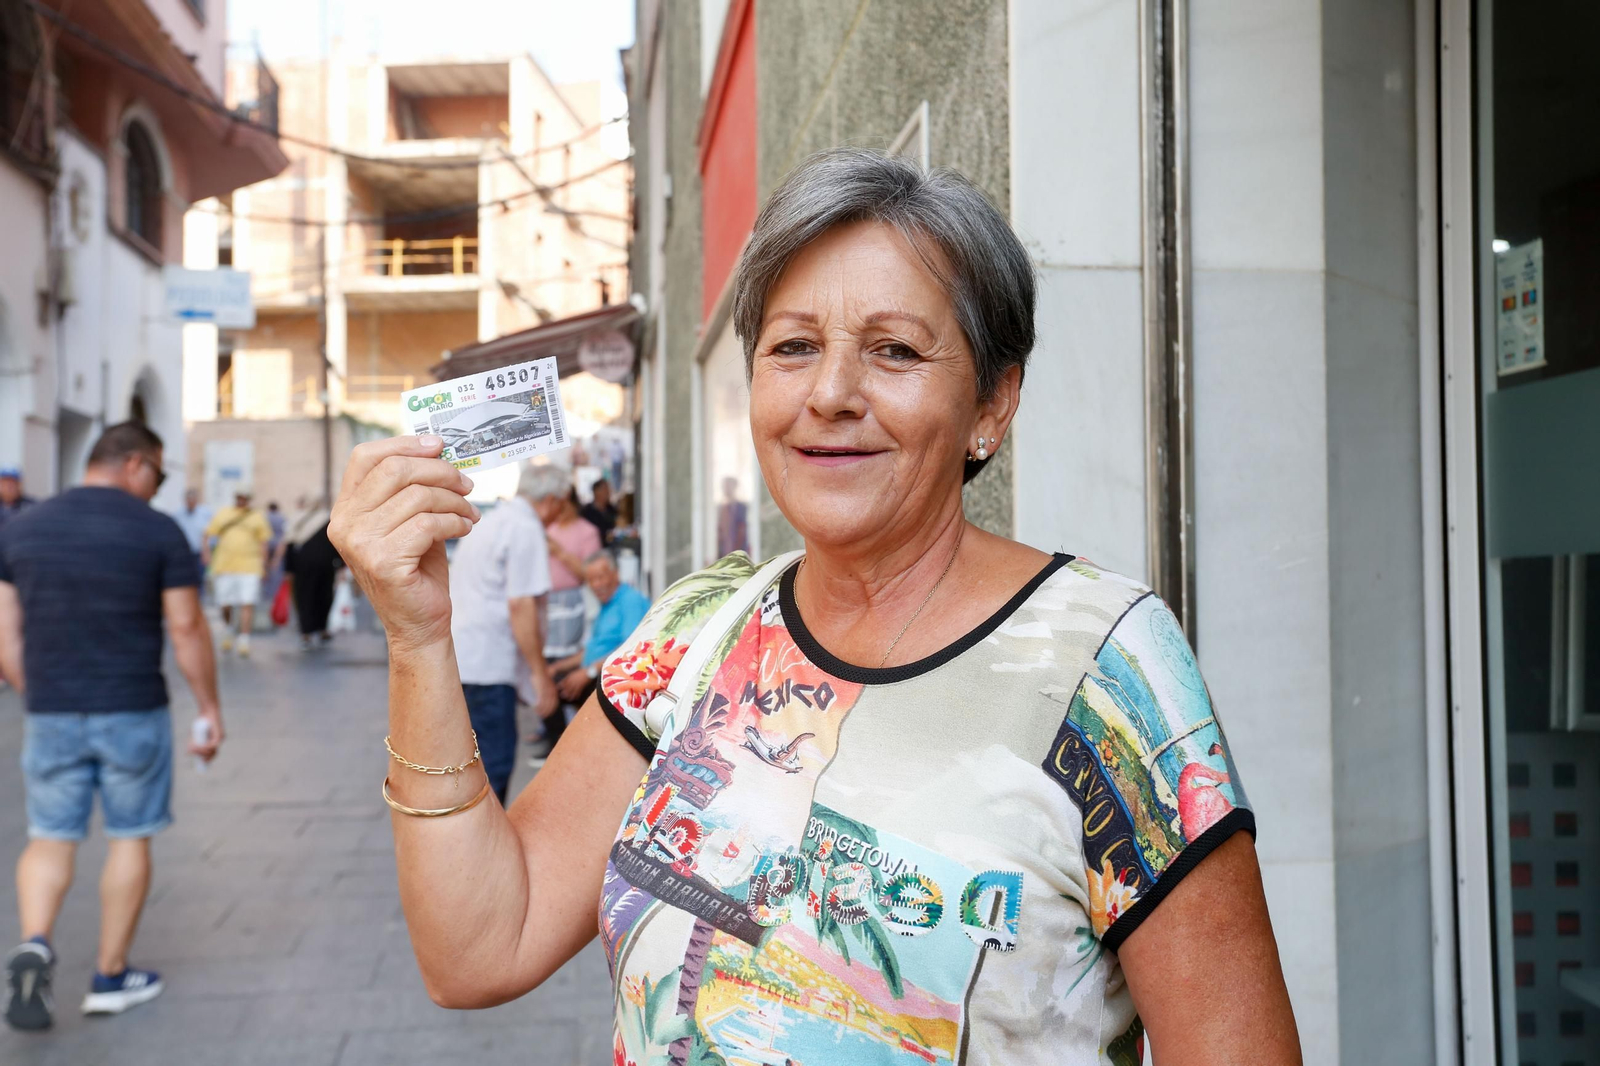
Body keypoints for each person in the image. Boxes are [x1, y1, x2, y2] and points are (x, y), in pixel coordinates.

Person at [328, 149, 1300, 1064]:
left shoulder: (1107, 668)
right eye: (793, 346)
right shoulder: (696, 631)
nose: (831, 393)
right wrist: (418, 637)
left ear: (993, 405)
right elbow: (481, 947)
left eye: (894, 351)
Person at [0, 421, 223, 1031]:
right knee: (130, 835)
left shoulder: (23, 528)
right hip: (131, 707)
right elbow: (185, 629)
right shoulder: (156, 530)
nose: (158, 486)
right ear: (136, 464)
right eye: (159, 473)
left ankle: (37, 943)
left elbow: (4, 632)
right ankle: (109, 974)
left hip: (50, 711)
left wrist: (37, 692)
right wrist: (209, 708)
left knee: (50, 834)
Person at [441, 463, 558, 805]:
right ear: (550, 499)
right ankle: (482, 853)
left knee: (471, 767)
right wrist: (540, 675)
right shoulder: (524, 528)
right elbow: (520, 605)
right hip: (488, 664)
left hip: (465, 658)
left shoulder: (493, 522)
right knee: (493, 766)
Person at [530, 475, 600, 758]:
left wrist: (558, 552)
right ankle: (553, 734)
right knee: (544, 665)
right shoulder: (549, 528)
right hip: (548, 604)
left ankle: (576, 738)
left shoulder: (586, 531)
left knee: (570, 666)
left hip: (574, 604)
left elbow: (590, 573)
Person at [546, 551, 651, 710]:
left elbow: (630, 649)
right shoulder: (606, 605)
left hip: (613, 682)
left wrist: (587, 673)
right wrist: (557, 667)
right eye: (591, 580)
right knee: (547, 678)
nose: (596, 585)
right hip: (595, 674)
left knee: (551, 689)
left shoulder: (630, 600)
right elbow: (590, 650)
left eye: (600, 577)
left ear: (615, 574)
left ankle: (560, 734)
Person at [202, 490, 272, 658]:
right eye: (240, 497)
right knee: (225, 603)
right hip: (225, 565)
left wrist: (264, 565)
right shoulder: (224, 514)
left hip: (250, 565)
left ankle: (244, 639)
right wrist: (207, 555)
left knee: (247, 602)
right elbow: (207, 534)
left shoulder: (257, 516)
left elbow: (264, 542)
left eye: (245, 498)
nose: (242, 500)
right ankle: (229, 629)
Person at [280, 498, 341, 651]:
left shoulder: (326, 519)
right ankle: (308, 631)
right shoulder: (301, 520)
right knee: (314, 598)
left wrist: (288, 569)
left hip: (314, 567)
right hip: (316, 567)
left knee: (317, 598)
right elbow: (290, 544)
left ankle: (317, 629)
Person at [168, 488, 212, 588]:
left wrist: (207, 552)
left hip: (200, 552)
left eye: (192, 500)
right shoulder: (178, 515)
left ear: (196, 500)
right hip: (184, 552)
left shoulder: (205, 514)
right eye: (188, 500)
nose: (190, 502)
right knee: (184, 579)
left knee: (200, 578)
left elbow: (210, 534)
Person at [715, 475, 749, 557]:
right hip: (723, 553)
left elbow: (742, 529)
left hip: (738, 551)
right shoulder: (721, 508)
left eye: (728, 486)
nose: (725, 489)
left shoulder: (741, 507)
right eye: (724, 486)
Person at [579, 477, 617, 545]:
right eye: (605, 489)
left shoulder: (613, 510)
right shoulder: (586, 511)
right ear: (596, 492)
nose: (608, 492)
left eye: (608, 489)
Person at [0, 468, 37, 533]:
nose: (9, 487)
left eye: (13, 483)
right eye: (5, 483)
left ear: (19, 485)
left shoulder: (31, 506)